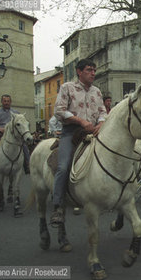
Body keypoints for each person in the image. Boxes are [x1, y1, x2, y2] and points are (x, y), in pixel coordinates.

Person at [50, 59, 107, 226]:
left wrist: (102, 123)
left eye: (94, 70)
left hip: (94, 132)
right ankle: (58, 206)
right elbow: (59, 111)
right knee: (63, 166)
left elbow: (103, 111)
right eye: (89, 70)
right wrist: (81, 122)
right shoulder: (67, 87)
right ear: (79, 72)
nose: (93, 73)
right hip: (72, 133)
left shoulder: (97, 91)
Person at [0, 95, 30, 175]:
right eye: (4, 101)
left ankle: (28, 165)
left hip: (14, 135)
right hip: (0, 134)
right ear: (2, 102)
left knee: (25, 148)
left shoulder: (16, 113)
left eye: (8, 101)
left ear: (10, 102)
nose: (6, 103)